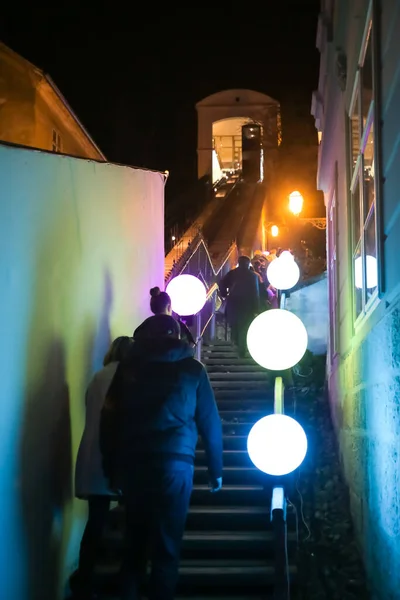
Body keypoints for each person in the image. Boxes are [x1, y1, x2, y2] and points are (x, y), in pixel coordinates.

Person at [100, 314, 223, 600]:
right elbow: (210, 422)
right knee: (167, 550)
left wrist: (110, 469)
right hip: (176, 465)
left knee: (134, 548)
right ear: (177, 336)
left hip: (134, 465)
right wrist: (214, 469)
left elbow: (109, 420)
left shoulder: (127, 370)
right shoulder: (193, 370)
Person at [73, 336, 133, 599]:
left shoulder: (98, 376)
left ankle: (85, 577)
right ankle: (124, 578)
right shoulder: (132, 378)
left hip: (91, 453)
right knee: (132, 520)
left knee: (95, 520)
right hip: (119, 455)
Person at [219, 255, 260, 357]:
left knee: (234, 324)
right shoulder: (253, 276)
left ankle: (235, 344)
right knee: (245, 326)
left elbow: (222, 283)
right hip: (247, 304)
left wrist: (224, 294)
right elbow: (256, 293)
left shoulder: (232, 273)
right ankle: (242, 348)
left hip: (234, 302)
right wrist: (257, 307)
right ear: (248, 264)